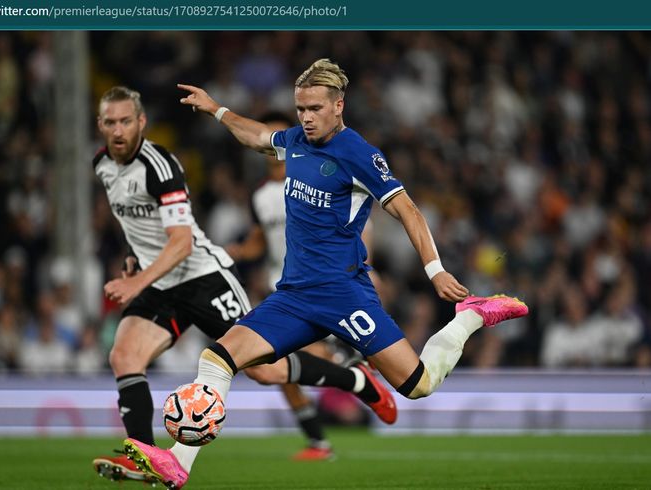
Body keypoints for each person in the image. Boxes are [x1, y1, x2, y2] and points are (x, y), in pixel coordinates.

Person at [123, 59, 528, 489]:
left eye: (315, 108)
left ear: (339, 105)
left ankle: (470, 316)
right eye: (301, 109)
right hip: (294, 296)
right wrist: (217, 110)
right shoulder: (295, 141)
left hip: (345, 294)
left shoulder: (360, 154)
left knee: (418, 385)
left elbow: (408, 209)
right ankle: (178, 463)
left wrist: (436, 271)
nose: (306, 118)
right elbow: (256, 136)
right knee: (217, 358)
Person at [91, 86, 397, 484]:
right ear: (100, 125)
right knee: (124, 355)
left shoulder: (160, 165)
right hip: (158, 280)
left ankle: (357, 380)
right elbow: (136, 224)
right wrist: (135, 260)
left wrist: (136, 284)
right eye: (110, 122)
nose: (117, 130)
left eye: (125, 121)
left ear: (141, 122)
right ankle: (144, 455)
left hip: (202, 277)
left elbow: (181, 242)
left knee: (265, 372)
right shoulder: (103, 166)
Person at [228, 110, 375, 461]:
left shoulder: (314, 177)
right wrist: (225, 251)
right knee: (270, 367)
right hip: (284, 288)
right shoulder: (260, 195)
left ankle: (351, 370)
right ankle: (319, 439)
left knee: (288, 360)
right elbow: (258, 242)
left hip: (323, 283)